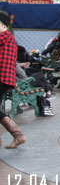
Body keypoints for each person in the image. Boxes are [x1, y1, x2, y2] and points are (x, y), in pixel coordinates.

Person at [0, 11, 26, 148]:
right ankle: (18, 135)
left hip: (2, 77)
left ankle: (18, 135)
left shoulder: (5, 36)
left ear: (3, 26)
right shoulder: (7, 37)